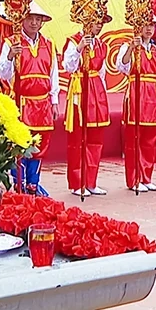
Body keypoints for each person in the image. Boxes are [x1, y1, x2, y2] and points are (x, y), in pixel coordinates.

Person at [0, 1, 58, 196]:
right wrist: (9, 57)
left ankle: (33, 183)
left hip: (42, 103)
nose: (33, 23)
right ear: (22, 20)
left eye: (37, 19)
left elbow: (53, 74)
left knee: (40, 145)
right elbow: (2, 74)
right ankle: (18, 184)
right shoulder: (11, 43)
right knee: (19, 145)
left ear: (42, 23)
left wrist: (54, 101)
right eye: (30, 18)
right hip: (21, 102)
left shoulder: (49, 45)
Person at [116, 18, 156, 192]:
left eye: (152, 25)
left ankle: (147, 177)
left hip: (153, 95)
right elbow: (121, 66)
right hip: (136, 93)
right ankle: (133, 179)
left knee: (149, 140)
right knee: (134, 139)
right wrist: (131, 48)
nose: (149, 29)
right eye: (145, 25)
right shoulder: (128, 47)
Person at [62, 18, 112, 197]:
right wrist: (79, 48)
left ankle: (91, 181)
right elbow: (68, 66)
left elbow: (103, 72)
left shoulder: (102, 45)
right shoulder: (74, 40)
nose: (99, 25)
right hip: (79, 89)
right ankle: (77, 182)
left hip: (96, 89)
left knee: (95, 139)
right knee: (77, 139)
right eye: (96, 21)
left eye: (101, 23)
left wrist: (103, 95)